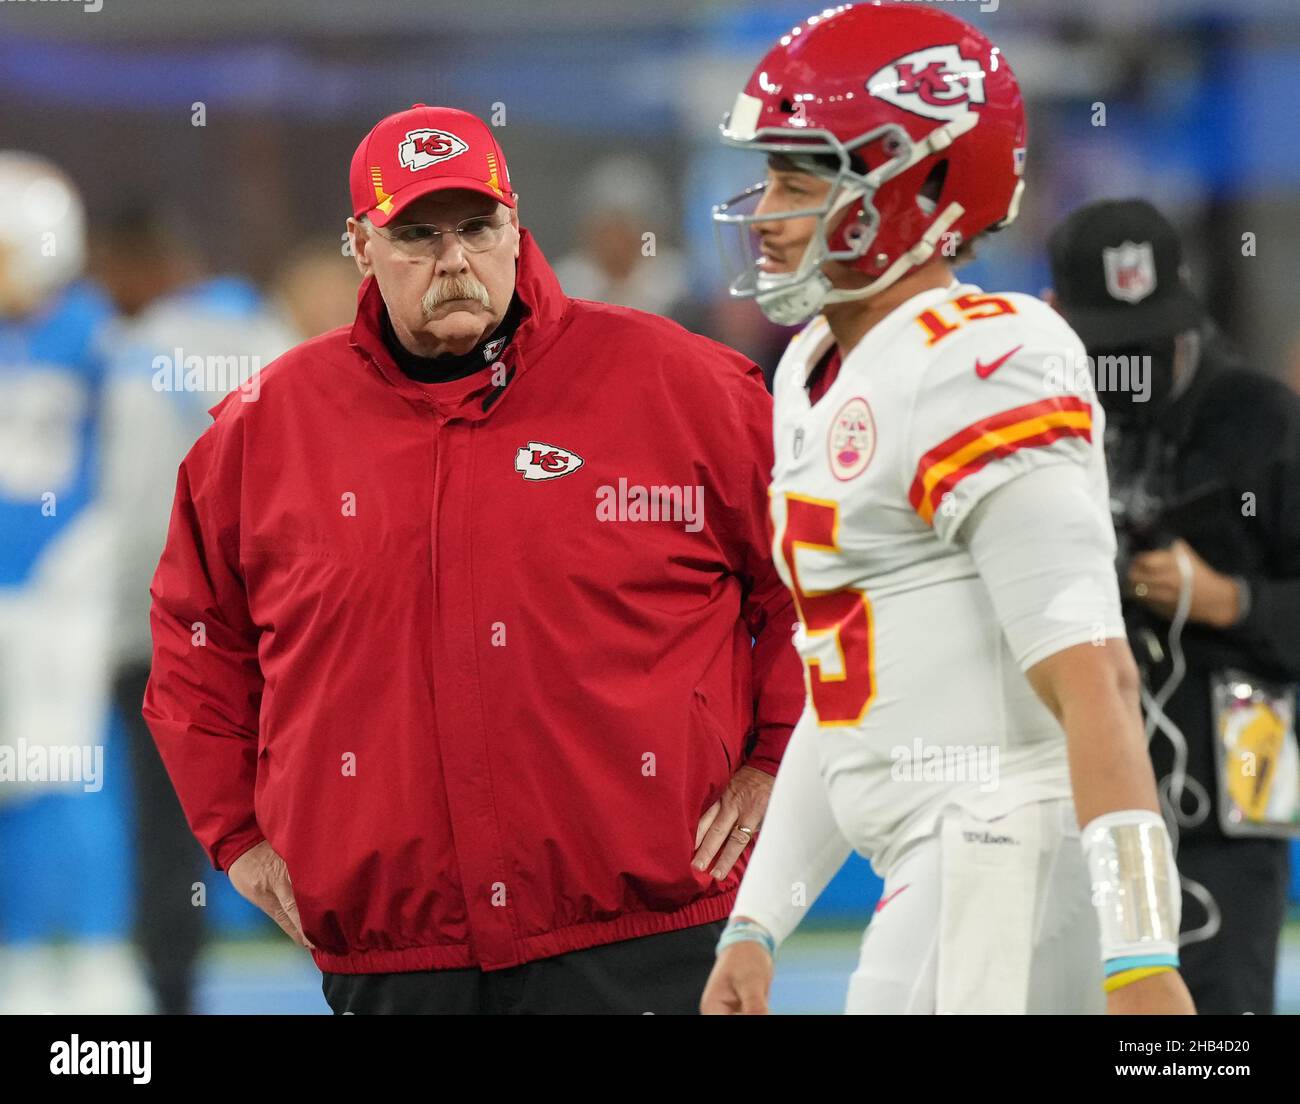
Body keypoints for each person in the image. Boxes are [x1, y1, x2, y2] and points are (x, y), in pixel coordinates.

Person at [142, 104, 803, 1014]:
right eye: (416, 234)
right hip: (400, 960)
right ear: (360, 247)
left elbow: (814, 582)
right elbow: (195, 647)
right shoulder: (265, 431)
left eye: (476, 227)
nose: (453, 260)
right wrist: (236, 838)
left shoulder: (680, 385)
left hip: (651, 936)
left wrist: (778, 759)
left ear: (516, 223)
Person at [701, 4, 1194, 1014]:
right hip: (939, 854)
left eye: (802, 178)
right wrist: (758, 922)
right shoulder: (812, 371)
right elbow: (842, 694)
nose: (764, 211)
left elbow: (1095, 674)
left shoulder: (984, 359)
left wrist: (1142, 953)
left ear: (920, 185)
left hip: (1001, 845)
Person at [1047, 198, 1300, 1014]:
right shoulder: (1035, 422)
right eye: (1109, 350)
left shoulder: (1263, 422)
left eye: (1151, 343)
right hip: (1074, 793)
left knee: (1218, 1028)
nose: (1130, 370)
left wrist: (1232, 600)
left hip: (1231, 804)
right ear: (1056, 323)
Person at [96, 200, 298, 1013]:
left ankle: (171, 999)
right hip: (273, 630)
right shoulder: (276, 337)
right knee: (310, 806)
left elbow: (131, 505)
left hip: (164, 636)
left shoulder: (131, 349)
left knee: (164, 831)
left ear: (143, 265)